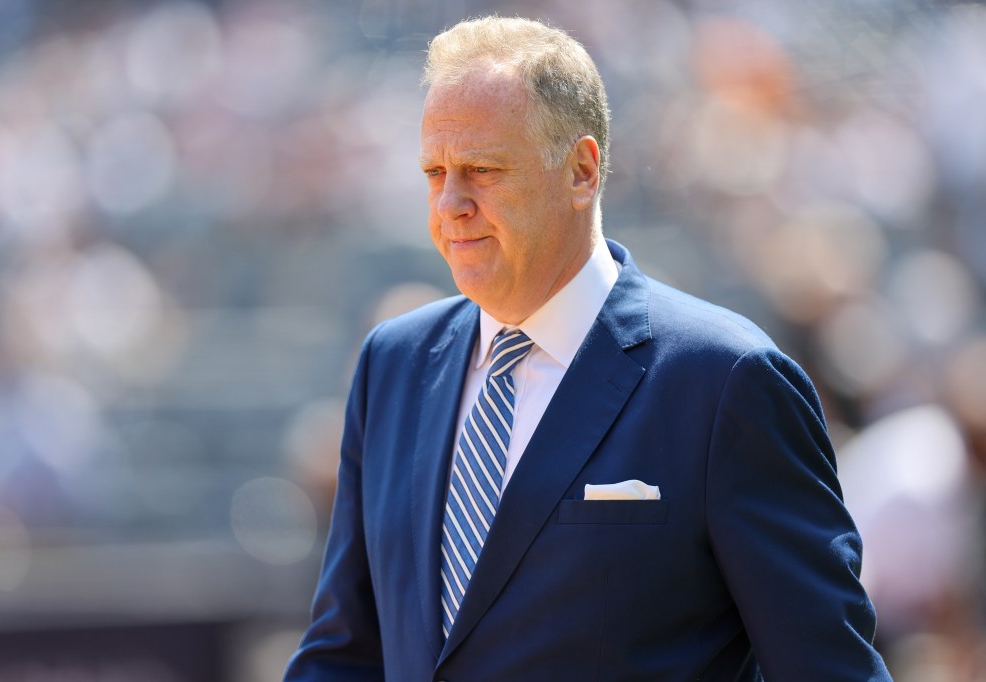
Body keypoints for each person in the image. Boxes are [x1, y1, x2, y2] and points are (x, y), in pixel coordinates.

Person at [283, 16, 892, 681]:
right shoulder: (393, 364)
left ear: (580, 170)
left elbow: (828, 666)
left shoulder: (724, 380)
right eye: (435, 172)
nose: (451, 203)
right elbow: (345, 654)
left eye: (482, 169)